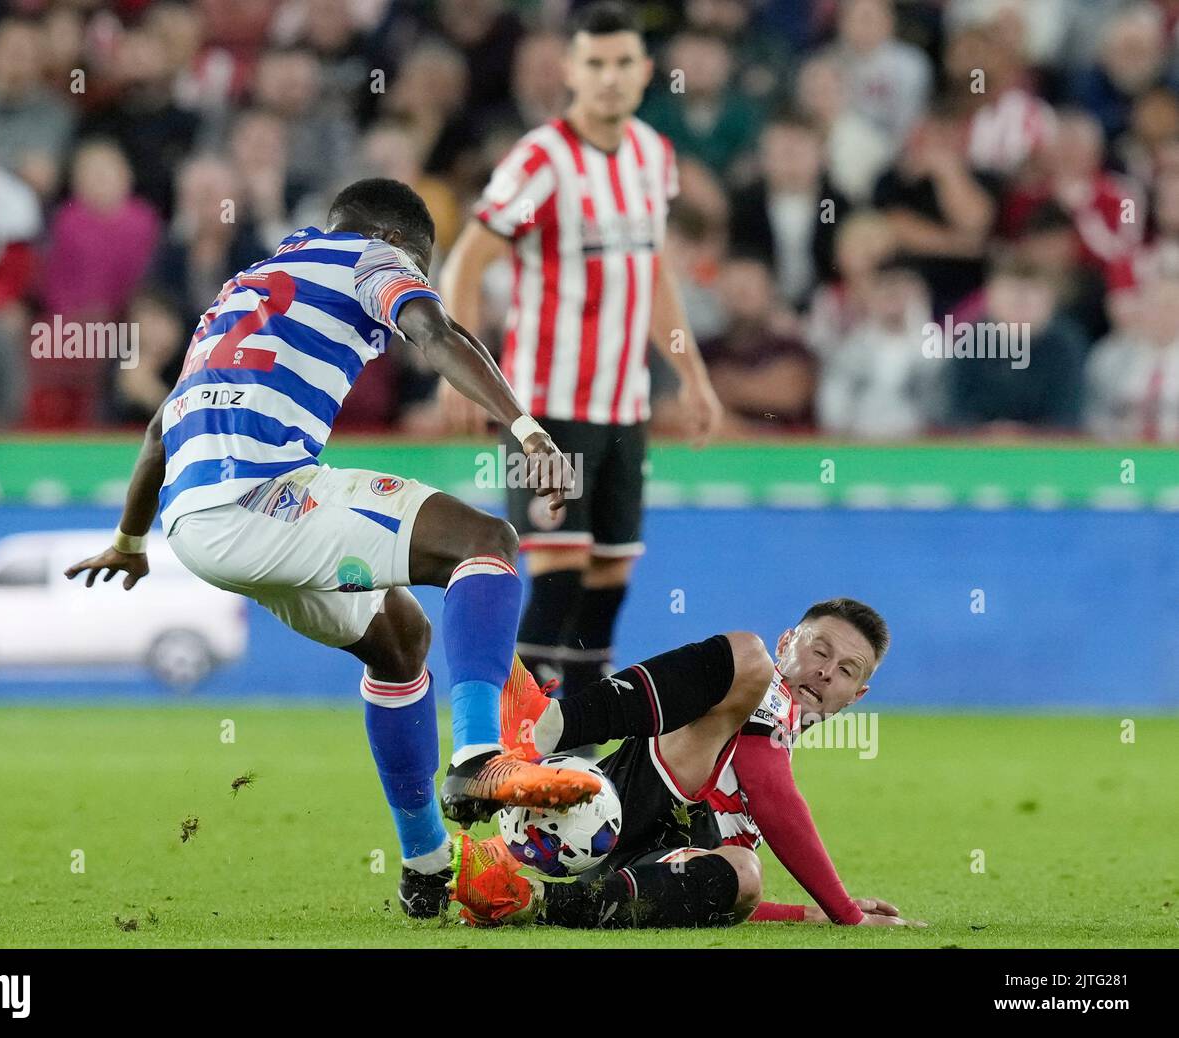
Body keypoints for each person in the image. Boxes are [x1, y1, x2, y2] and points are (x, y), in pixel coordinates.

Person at [63, 177, 601, 920]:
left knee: (401, 640)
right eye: (422, 264)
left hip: (195, 522)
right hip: (262, 495)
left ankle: (424, 868)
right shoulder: (371, 258)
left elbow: (160, 427)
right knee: (488, 541)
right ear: (401, 244)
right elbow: (438, 334)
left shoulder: (242, 287)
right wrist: (526, 430)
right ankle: (479, 756)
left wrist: (130, 539)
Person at [439, 1, 723, 705]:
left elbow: (651, 274)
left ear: (645, 71)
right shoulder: (543, 158)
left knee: (608, 586)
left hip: (626, 405)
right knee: (558, 579)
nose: (609, 78)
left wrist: (691, 373)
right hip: (548, 408)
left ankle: (584, 749)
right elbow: (467, 262)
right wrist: (459, 372)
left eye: (623, 63)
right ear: (569, 71)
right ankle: (506, 748)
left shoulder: (653, 157)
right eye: (594, 64)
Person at [449, 599, 925, 930]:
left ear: (856, 696)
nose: (826, 671)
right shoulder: (768, 696)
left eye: (846, 670)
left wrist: (806, 915)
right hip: (610, 804)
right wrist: (846, 912)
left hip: (621, 866)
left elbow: (707, 901)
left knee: (744, 872)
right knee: (746, 657)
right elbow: (769, 790)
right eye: (820, 650)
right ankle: (552, 724)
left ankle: (533, 901)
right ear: (788, 641)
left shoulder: (769, 756)